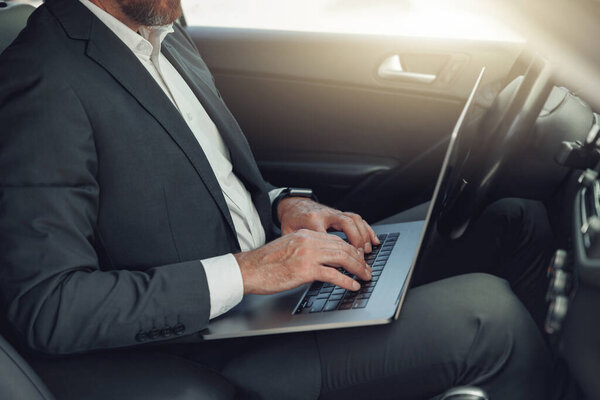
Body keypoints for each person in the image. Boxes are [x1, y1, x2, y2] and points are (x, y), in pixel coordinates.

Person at [0, 0, 551, 399]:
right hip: (208, 342)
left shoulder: (162, 31)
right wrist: (249, 271)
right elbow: (49, 306)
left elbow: (211, 178)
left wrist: (285, 206)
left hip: (275, 295)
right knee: (490, 314)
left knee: (514, 221)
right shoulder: (44, 75)